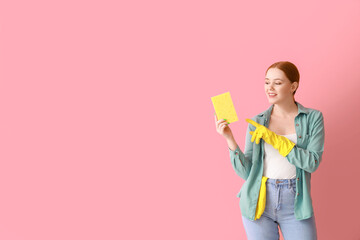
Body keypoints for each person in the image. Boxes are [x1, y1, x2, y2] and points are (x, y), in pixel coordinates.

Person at [214, 61, 324, 240]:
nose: (269, 88)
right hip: (258, 202)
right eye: (266, 82)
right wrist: (229, 138)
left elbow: (312, 163)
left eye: (277, 83)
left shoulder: (312, 118)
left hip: (296, 204)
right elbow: (247, 172)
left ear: (293, 86)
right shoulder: (257, 122)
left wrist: (276, 140)